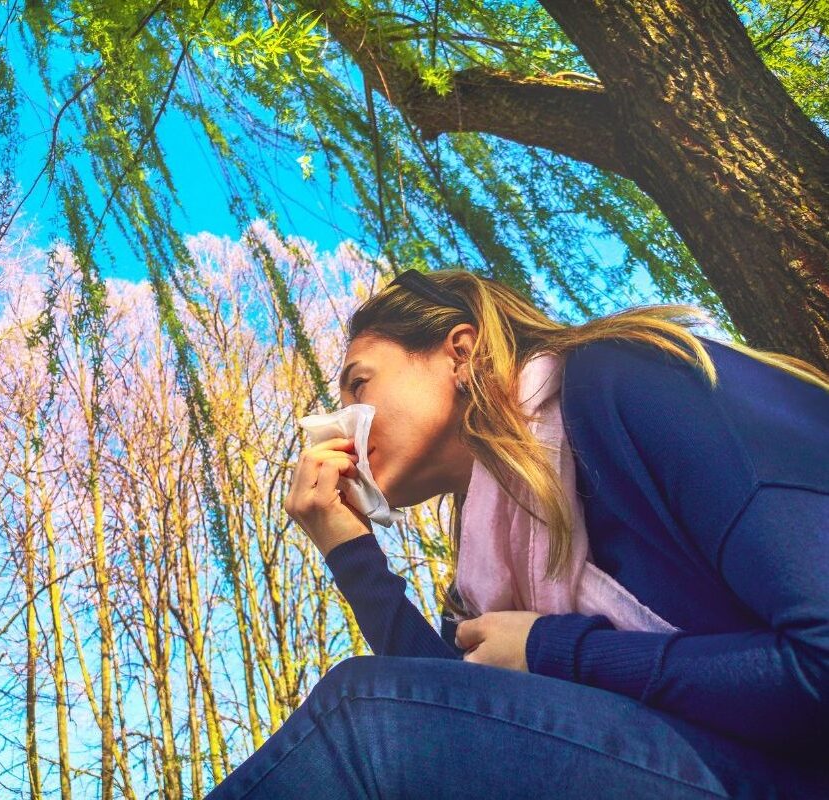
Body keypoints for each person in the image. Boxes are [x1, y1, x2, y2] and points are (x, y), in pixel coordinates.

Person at [205, 269, 829, 799]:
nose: (336, 425)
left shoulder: (631, 383)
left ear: (461, 352)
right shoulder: (490, 564)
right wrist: (349, 550)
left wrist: (554, 651)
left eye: (358, 383)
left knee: (360, 713)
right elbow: (458, 732)